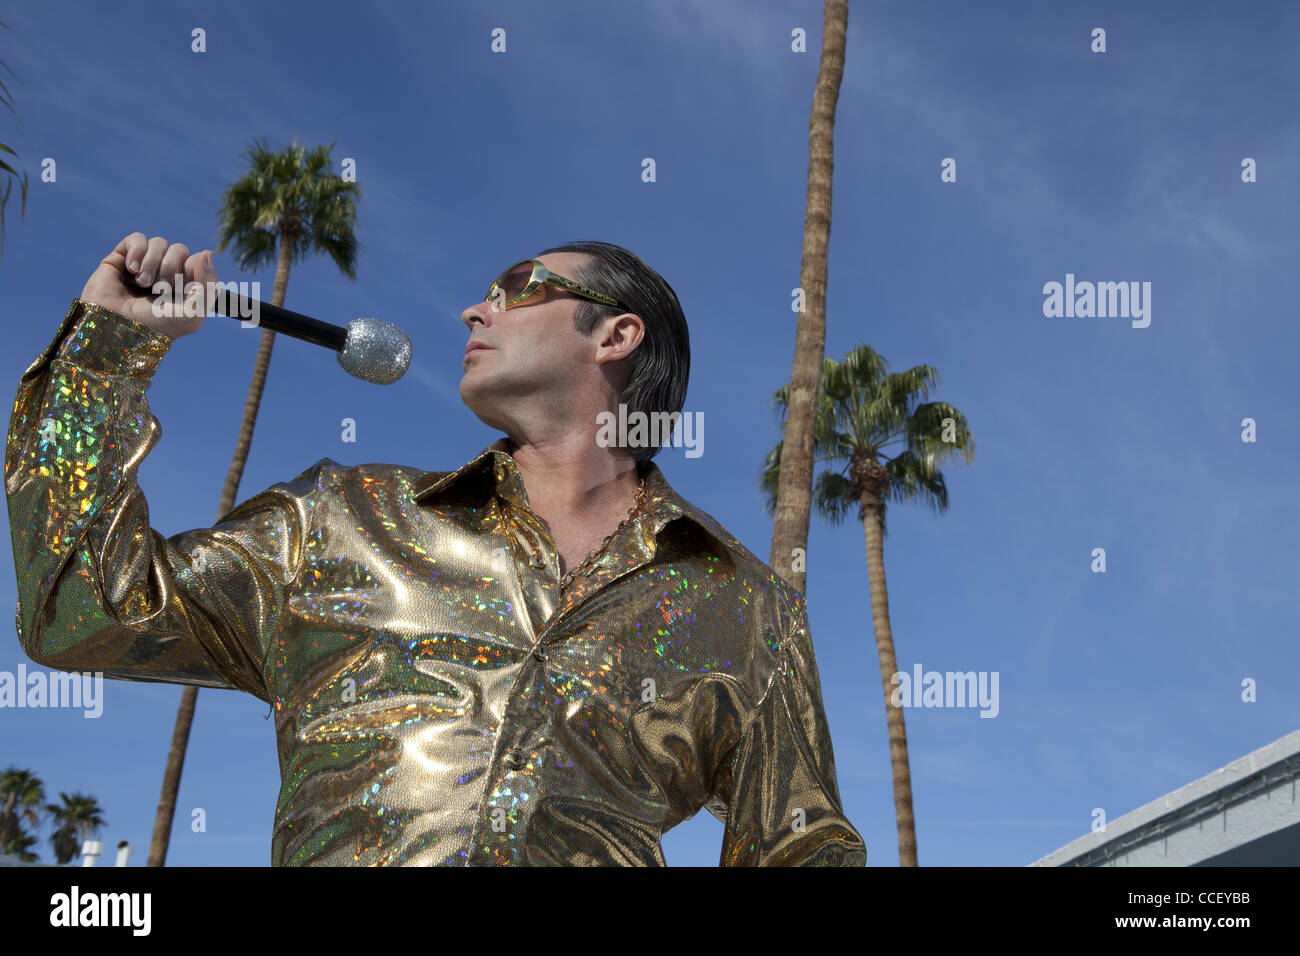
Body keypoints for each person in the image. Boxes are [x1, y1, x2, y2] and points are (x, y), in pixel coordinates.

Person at [5, 232, 866, 866]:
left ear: (616, 336)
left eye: (519, 286)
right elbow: (78, 608)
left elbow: (801, 848)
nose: (474, 307)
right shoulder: (337, 519)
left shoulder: (744, 606)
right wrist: (106, 350)